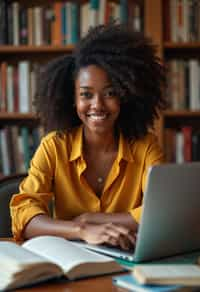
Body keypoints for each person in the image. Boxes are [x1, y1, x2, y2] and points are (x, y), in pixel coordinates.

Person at [10, 23, 166, 250]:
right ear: (73, 99)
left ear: (125, 95)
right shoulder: (54, 146)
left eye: (110, 93)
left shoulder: (145, 146)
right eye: (86, 94)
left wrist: (91, 219)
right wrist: (81, 230)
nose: (97, 105)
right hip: (72, 259)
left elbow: (161, 212)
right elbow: (24, 214)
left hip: (127, 260)